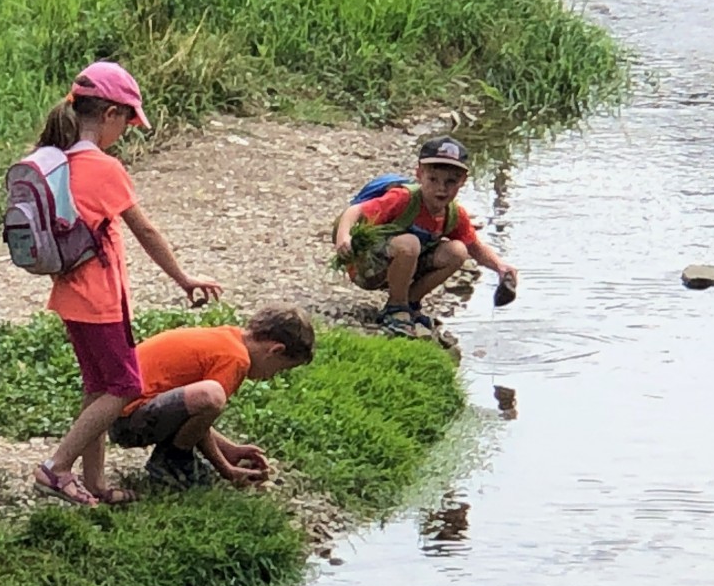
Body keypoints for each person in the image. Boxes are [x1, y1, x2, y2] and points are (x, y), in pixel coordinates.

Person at [33, 62, 223, 507]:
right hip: (99, 300)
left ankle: (95, 482)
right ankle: (56, 468)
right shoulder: (104, 167)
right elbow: (146, 231)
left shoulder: (57, 160)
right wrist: (183, 278)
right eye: (127, 122)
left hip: (70, 295)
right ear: (111, 114)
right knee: (124, 387)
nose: (125, 132)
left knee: (98, 387)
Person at [331, 134, 517, 339]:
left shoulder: (453, 215)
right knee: (410, 243)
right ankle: (395, 308)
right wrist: (343, 237)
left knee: (458, 251)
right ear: (419, 174)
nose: (441, 188)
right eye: (433, 179)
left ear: (462, 181)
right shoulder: (402, 198)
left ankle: (410, 302)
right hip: (367, 268)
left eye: (450, 181)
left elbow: (475, 247)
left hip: (406, 266)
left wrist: (500, 267)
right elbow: (355, 211)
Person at [111, 306, 315, 488]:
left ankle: (177, 457)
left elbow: (193, 417)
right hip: (128, 422)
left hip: (117, 412)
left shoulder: (228, 337)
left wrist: (229, 449)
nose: (271, 376)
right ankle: (172, 461)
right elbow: (206, 404)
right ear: (276, 350)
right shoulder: (237, 359)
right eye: (280, 369)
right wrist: (226, 469)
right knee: (212, 395)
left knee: (208, 397)